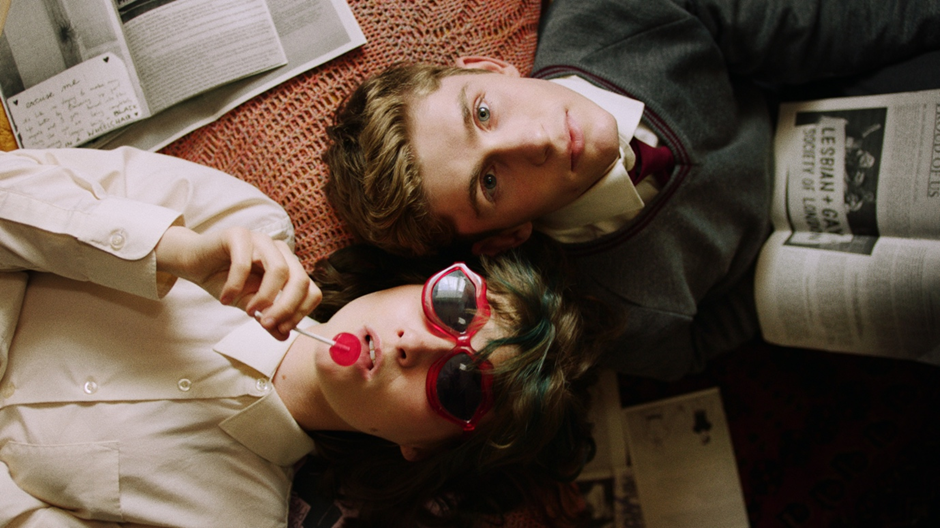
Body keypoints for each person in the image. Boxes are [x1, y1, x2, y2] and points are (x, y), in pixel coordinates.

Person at [323, 0, 940, 380]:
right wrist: (774, 297)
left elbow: (809, 28)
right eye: (490, 182)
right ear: (505, 236)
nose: (534, 140)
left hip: (826, 95)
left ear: (488, 69)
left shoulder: (614, 15)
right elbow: (690, 348)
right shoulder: (608, 310)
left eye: (484, 112)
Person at [0, 148, 614, 527]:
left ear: (421, 449)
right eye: (454, 307)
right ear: (420, 281)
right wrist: (173, 252)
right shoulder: (241, 220)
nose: (418, 346)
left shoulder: (234, 520)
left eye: (459, 385)